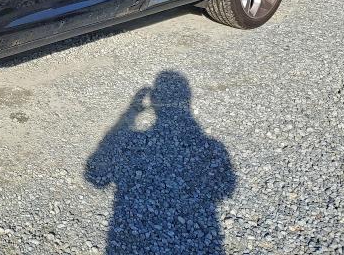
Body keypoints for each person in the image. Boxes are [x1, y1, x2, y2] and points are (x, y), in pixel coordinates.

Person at [85, 71, 236, 254]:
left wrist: (128, 116)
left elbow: (96, 177)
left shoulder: (135, 140)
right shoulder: (213, 147)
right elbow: (226, 188)